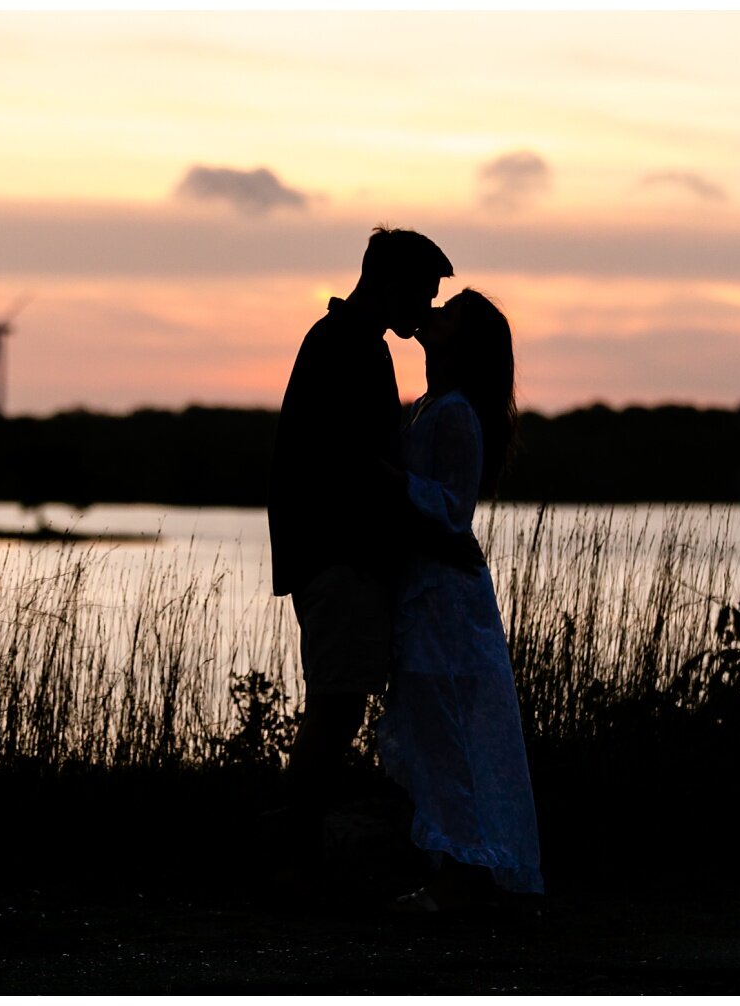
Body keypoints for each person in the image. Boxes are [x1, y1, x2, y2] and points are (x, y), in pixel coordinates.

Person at [267, 227, 455, 881]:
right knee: (336, 708)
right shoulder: (348, 348)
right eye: (424, 292)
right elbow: (356, 465)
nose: (427, 307)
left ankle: (298, 858)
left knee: (337, 705)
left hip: (332, 557)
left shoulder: (346, 343)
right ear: (392, 285)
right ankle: (295, 863)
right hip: (338, 559)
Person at [379, 288, 544, 910]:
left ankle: (460, 877)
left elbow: (452, 510)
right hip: (427, 593)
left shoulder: (455, 414)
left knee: (446, 730)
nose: (435, 313)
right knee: (433, 730)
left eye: (450, 313)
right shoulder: (430, 407)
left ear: (462, 342)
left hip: (446, 602)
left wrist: (386, 479)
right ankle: (455, 868)